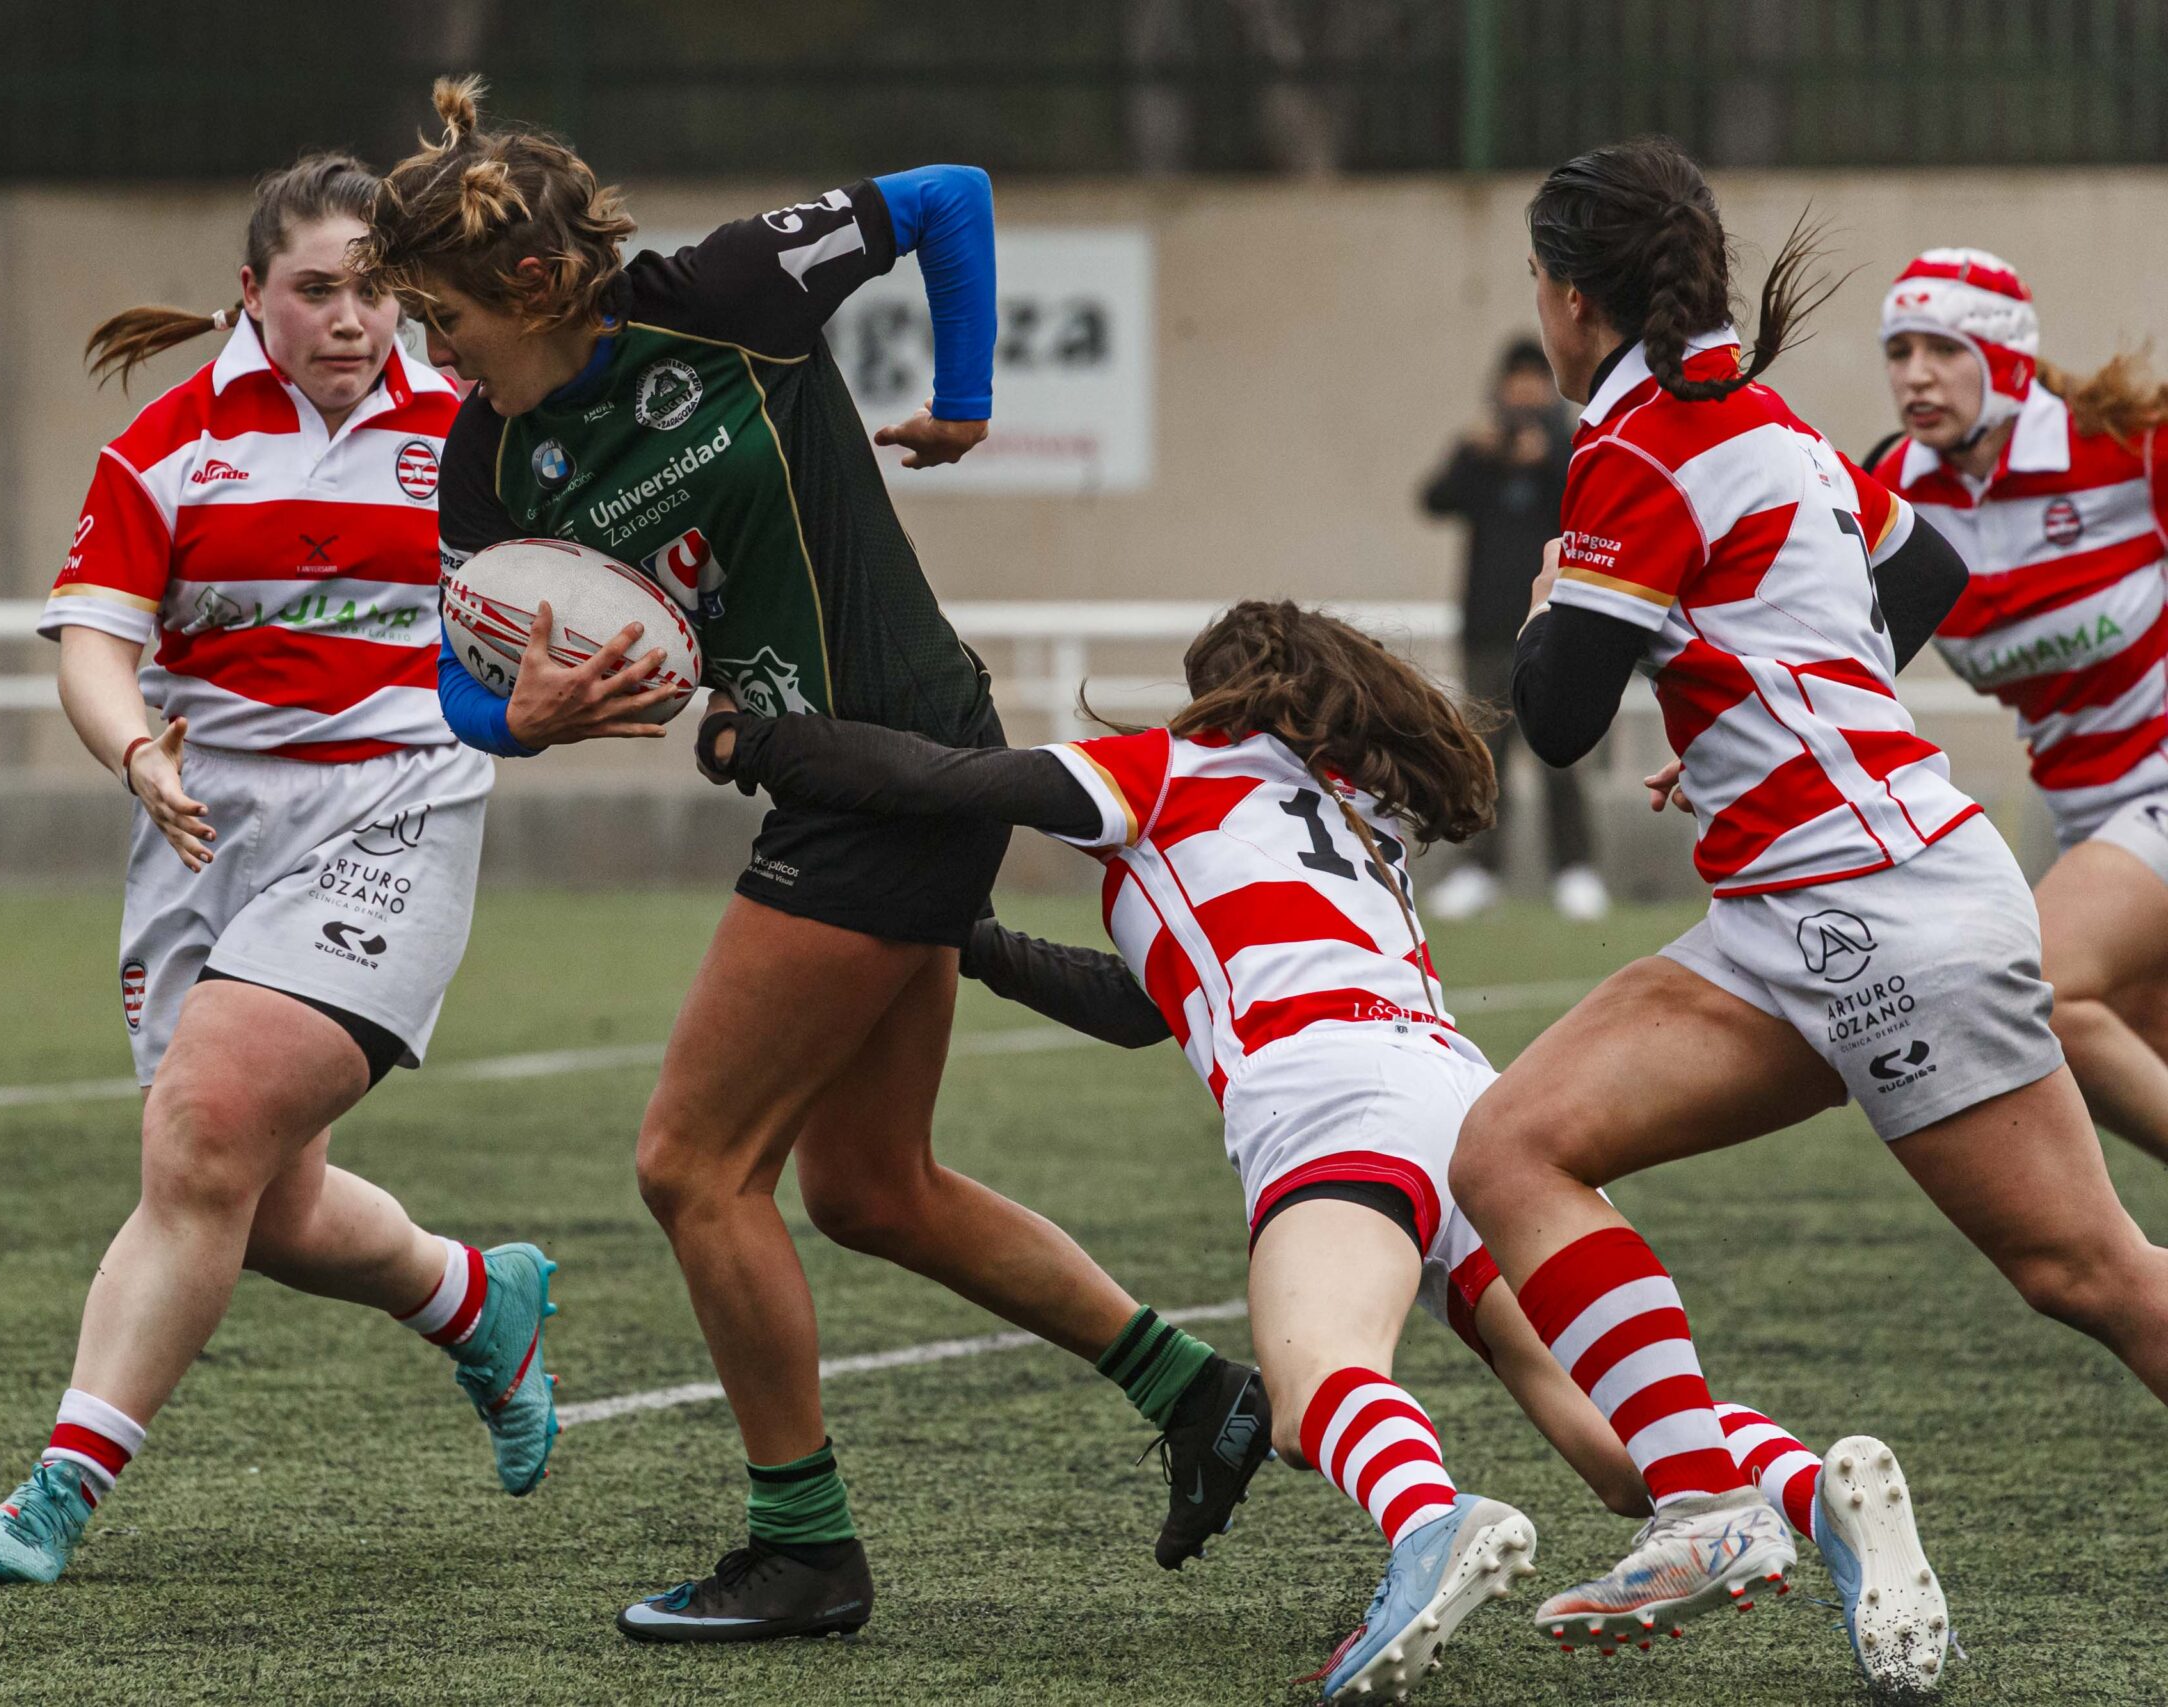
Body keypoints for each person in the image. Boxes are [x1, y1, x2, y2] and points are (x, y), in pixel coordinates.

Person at [354, 77, 1271, 1641]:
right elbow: (459, 674)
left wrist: (968, 393)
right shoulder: (489, 462)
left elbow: (948, 199)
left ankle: (806, 1550)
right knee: (870, 1185)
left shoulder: (721, 296)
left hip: (898, 764)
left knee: (691, 1165)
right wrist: (528, 712)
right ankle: (1199, 1394)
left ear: (528, 284)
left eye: (435, 316)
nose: (423, 351)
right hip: (829, 782)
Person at [694, 598, 1874, 1699]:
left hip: (1328, 1099)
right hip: (1463, 1099)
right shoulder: (1357, 815)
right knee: (1619, 1445)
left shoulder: (1168, 769)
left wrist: (766, 747)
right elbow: (1145, 1002)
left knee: (1315, 1388)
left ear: (1229, 693)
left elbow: (946, 778)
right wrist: (982, 945)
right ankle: (1819, 1500)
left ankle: (1431, 1526)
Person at [1449, 137, 2168, 1695]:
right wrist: (1754, 720)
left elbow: (1559, 713)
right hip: (1797, 910)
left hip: (1884, 911)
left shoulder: (1633, 448)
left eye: (1537, 283)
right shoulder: (1757, 420)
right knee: (1511, 1145)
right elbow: (1922, 570)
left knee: (2099, 1278)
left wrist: (1588, 627)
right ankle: (1709, 1504)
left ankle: (1711, 1495)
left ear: (1571, 297)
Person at [0, 154, 559, 1586]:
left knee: (202, 1131)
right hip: (203, 833)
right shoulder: (169, 445)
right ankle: (481, 1299)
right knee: (264, 1204)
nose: (352, 318)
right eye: (317, 290)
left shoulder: (482, 432)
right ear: (255, 295)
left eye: (373, 288)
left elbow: (569, 604)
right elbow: (98, 644)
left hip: (395, 813)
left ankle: (61, 1485)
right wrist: (137, 757)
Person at [1864, 250, 2168, 1164]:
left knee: (2043, 989)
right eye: (1898, 349)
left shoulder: (2126, 447)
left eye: (1942, 349)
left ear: (2006, 361)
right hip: (2085, 813)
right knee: (2136, 1034)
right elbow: (1830, 638)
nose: (1914, 374)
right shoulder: (1893, 487)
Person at [1419, 338, 1607, 922]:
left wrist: (1548, 454)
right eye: (1514, 378)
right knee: (1483, 757)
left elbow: (1595, 501)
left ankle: (1575, 870)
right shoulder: (1480, 455)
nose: (1523, 389)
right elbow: (1433, 500)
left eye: (1534, 378)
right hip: (1487, 631)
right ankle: (1479, 870)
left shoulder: (1574, 449)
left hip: (1560, 625)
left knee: (1560, 757)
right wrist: (1474, 454)